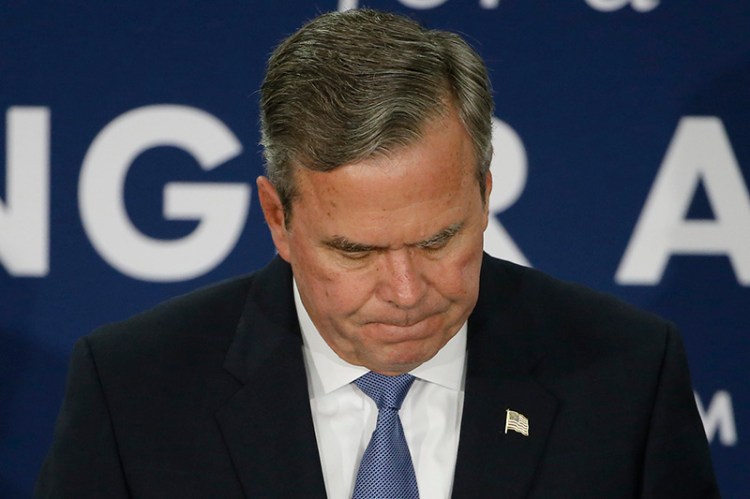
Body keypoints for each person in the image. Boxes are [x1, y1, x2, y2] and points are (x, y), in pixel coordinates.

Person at [36, 8, 719, 498]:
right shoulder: (134, 391)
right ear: (278, 217)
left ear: (483, 195)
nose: (405, 289)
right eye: (356, 250)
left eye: (438, 238)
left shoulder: (627, 376)